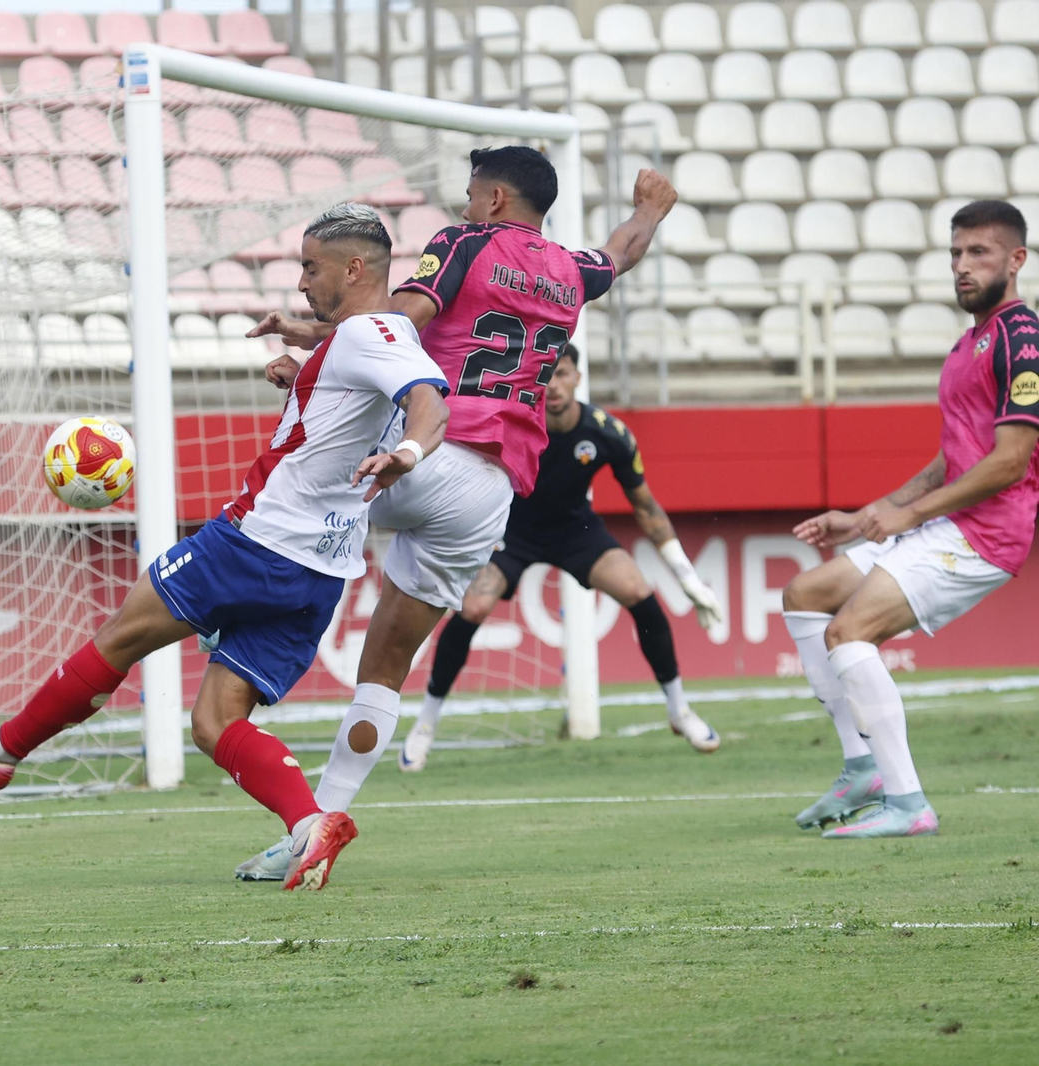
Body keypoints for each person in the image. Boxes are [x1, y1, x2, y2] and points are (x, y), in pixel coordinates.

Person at [0, 204, 452, 890]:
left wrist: (408, 451)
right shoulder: (364, 338)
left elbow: (429, 402)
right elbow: (365, 403)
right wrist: (307, 380)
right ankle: (307, 825)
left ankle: (1, 749)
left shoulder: (372, 331)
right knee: (214, 720)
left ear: (354, 269)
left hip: (260, 540)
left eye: (310, 266)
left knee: (121, 635)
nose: (299, 282)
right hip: (323, 567)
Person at [233, 149, 676, 881]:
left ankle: (219, 624)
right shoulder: (570, 270)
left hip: (425, 446)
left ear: (496, 199)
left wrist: (310, 346)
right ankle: (322, 824)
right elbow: (623, 252)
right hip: (489, 492)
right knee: (386, 667)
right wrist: (653, 207)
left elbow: (398, 322)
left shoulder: (464, 244)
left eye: (473, 195)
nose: (466, 206)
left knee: (278, 499)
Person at [781, 199, 1038, 839]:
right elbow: (955, 456)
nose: (962, 266)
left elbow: (1008, 464)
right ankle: (862, 765)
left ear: (1016, 260)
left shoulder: (1022, 338)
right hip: (947, 522)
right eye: (955, 253)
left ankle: (907, 804)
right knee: (805, 594)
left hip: (987, 533)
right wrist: (877, 513)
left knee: (850, 633)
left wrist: (909, 516)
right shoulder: (969, 341)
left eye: (978, 253)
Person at [397, 344, 723, 774]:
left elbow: (647, 509)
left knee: (639, 592)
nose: (554, 386)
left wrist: (687, 578)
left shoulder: (608, 434)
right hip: (512, 530)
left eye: (564, 374)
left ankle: (679, 709)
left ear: (578, 379)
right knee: (473, 606)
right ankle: (426, 724)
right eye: (547, 376)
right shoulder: (511, 421)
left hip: (576, 531)